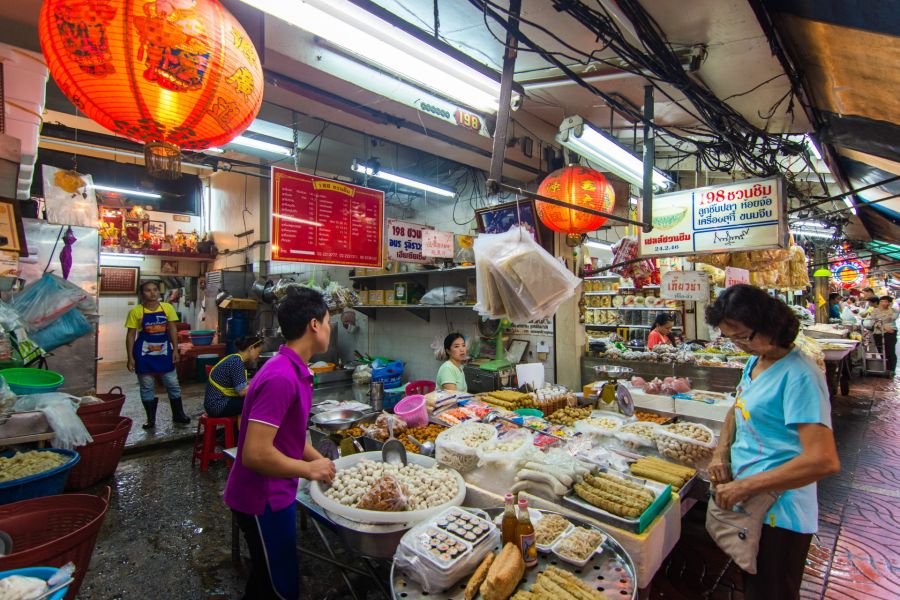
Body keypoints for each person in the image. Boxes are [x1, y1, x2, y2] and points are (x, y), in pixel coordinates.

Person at [705, 284, 840, 600]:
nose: (738, 345)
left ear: (768, 324)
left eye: (742, 336)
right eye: (730, 338)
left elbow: (823, 459)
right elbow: (737, 408)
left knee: (773, 589)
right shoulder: (756, 361)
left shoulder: (800, 374)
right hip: (753, 504)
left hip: (781, 513)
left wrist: (743, 487)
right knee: (754, 584)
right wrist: (720, 454)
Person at [224, 288, 336, 600]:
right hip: (262, 499)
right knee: (278, 588)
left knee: (266, 579)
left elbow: (291, 437)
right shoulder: (281, 377)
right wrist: (308, 470)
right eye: (328, 321)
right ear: (314, 325)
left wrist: (323, 464)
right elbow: (256, 454)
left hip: (277, 493)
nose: (330, 328)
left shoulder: (294, 369)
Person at [125, 280, 189, 429]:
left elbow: (173, 329)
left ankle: (179, 415)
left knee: (172, 384)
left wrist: (175, 349)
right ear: (142, 294)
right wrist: (130, 357)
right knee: (147, 386)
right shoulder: (136, 312)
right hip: (143, 353)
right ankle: (151, 419)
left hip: (164, 351)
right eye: (148, 290)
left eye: (155, 290)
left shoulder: (167, 308)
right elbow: (130, 336)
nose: (152, 293)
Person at [203, 336, 264, 418]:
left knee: (252, 399)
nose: (258, 355)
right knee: (257, 401)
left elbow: (241, 385)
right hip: (217, 405)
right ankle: (244, 429)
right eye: (258, 352)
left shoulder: (235, 359)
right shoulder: (236, 362)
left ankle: (239, 428)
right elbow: (242, 391)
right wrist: (262, 384)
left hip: (215, 403)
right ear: (251, 348)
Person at [869, 295, 898, 375]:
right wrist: (883, 326)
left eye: (885, 301)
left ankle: (891, 369)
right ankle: (885, 367)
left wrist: (889, 309)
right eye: (881, 301)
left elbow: (892, 318)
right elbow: (873, 322)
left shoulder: (894, 310)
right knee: (881, 350)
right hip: (878, 332)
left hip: (890, 332)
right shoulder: (875, 310)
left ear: (889, 303)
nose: (882, 303)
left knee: (890, 350)